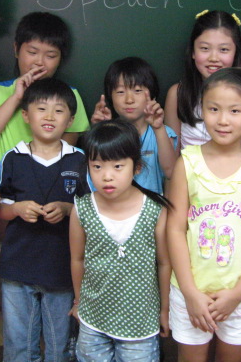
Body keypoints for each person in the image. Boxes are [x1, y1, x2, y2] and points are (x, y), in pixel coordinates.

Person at [166, 67, 241, 362]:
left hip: (240, 295)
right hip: (190, 293)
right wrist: (190, 292)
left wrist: (238, 293)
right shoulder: (188, 162)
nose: (223, 120)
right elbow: (175, 229)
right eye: (213, 109)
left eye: (235, 110)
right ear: (202, 109)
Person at [0, 77, 91, 362]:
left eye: (59, 111)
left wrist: (67, 209)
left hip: (61, 268)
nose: (49, 116)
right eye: (41, 109)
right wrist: (17, 209)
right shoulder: (13, 158)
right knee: (18, 345)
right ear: (26, 115)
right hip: (18, 266)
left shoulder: (79, 159)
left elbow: (92, 210)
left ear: (70, 120)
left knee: (58, 345)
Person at [69, 119, 171, 362]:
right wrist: (78, 302)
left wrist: (165, 310)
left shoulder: (155, 209)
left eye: (117, 166)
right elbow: (77, 259)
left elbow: (164, 263)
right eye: (97, 166)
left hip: (141, 322)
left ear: (137, 167)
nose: (107, 176)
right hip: (93, 318)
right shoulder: (82, 208)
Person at [0, 11, 90, 161]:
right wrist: (16, 98)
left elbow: (65, 151)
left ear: (60, 58)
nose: (39, 62)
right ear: (16, 50)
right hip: (2, 175)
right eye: (32, 52)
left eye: (50, 56)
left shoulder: (69, 95)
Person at [90, 56, 177, 194]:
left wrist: (159, 128)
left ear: (152, 94)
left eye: (137, 90)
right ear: (110, 97)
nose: (129, 100)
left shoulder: (163, 132)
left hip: (152, 205)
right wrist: (102, 130)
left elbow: (170, 172)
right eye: (120, 92)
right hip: (112, 205)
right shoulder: (106, 130)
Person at [164, 9, 241, 151]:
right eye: (205, 48)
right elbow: (171, 159)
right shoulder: (178, 94)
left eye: (224, 50)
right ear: (193, 52)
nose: (214, 58)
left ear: (236, 52)